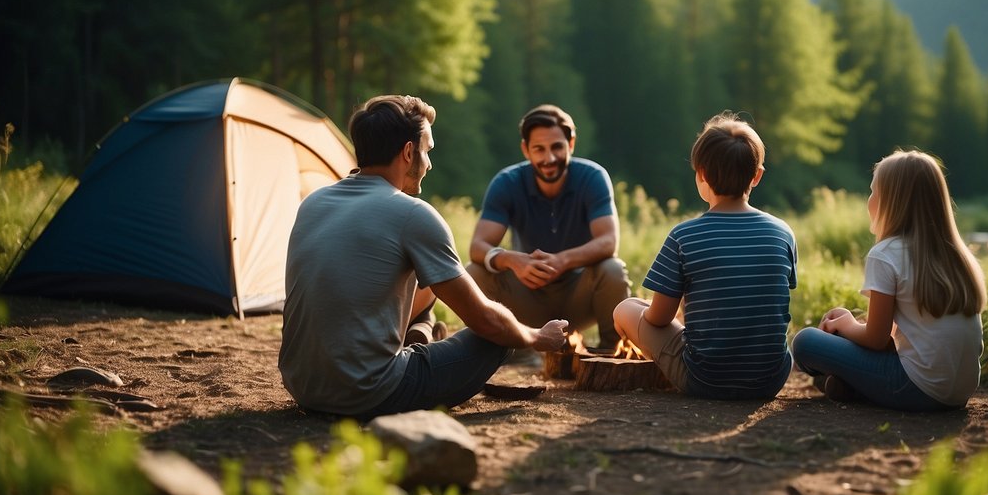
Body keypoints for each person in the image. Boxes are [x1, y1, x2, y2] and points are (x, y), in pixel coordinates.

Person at [278, 94, 568, 419]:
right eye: (427, 150)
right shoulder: (413, 214)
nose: (428, 163)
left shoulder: (313, 203)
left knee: (429, 285)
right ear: (407, 152)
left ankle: (419, 337)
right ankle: (414, 348)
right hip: (368, 393)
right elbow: (484, 320)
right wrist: (538, 337)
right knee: (500, 332)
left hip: (303, 385)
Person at [612, 113, 795, 400]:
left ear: (702, 174)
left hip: (706, 380)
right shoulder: (783, 233)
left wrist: (647, 311)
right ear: (757, 175)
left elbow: (659, 319)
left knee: (625, 308)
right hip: (769, 380)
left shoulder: (684, 236)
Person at [790, 149, 986, 411]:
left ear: (892, 202)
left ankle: (853, 385)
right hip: (959, 394)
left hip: (915, 388)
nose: (868, 200)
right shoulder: (959, 256)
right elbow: (903, 332)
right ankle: (851, 385)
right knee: (857, 331)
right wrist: (854, 325)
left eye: (873, 192)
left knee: (805, 342)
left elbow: (876, 339)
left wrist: (846, 324)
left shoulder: (886, 254)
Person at [468, 104, 631, 351]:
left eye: (557, 147)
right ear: (525, 150)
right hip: (525, 297)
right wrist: (513, 260)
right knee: (475, 271)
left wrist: (562, 261)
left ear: (571, 144)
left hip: (577, 296)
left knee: (612, 269)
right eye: (539, 149)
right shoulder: (506, 182)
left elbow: (609, 242)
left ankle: (611, 353)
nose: (549, 158)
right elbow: (478, 246)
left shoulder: (593, 176)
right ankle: (502, 350)